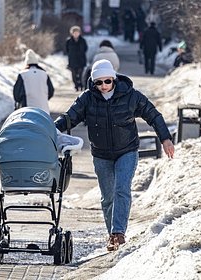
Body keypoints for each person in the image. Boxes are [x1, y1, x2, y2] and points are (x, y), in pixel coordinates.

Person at [54, 59, 174, 251]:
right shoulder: (87, 98)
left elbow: (153, 115)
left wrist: (165, 138)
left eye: (107, 81)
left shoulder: (130, 95)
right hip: (101, 154)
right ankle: (112, 234)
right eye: (98, 83)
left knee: (121, 189)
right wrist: (52, 129)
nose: (103, 86)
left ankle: (118, 233)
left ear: (114, 79)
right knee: (108, 197)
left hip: (127, 150)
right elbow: (70, 117)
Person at [13, 49, 54, 114]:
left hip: (27, 110)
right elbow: (51, 91)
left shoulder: (23, 74)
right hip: (44, 111)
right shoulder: (44, 74)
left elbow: (17, 94)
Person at [65, 25, 88, 91]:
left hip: (81, 60)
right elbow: (67, 50)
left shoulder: (83, 40)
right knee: (74, 75)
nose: (76, 34)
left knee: (81, 74)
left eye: (77, 32)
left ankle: (81, 85)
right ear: (72, 33)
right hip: (72, 60)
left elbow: (85, 48)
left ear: (79, 33)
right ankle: (76, 86)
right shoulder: (69, 41)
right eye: (74, 32)